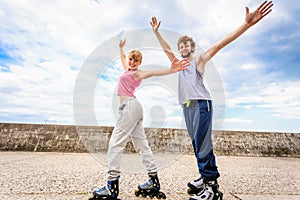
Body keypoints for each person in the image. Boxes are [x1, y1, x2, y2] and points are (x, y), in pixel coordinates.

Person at [150, 1, 273, 200]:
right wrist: (156, 33)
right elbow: (166, 49)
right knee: (197, 143)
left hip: (201, 104)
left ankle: (212, 186)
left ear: (192, 48)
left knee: (203, 143)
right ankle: (203, 175)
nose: (183, 48)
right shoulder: (178, 64)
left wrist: (247, 24)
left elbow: (220, 43)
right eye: (180, 46)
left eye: (187, 45)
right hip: (187, 106)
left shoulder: (198, 61)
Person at [89, 39, 189, 200]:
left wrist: (172, 69)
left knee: (115, 144)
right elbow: (123, 59)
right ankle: (153, 181)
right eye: (131, 59)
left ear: (139, 63)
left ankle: (111, 186)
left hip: (130, 106)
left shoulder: (137, 73)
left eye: (136, 60)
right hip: (135, 108)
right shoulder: (127, 70)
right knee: (142, 145)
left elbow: (154, 73)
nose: (132, 61)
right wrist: (121, 48)